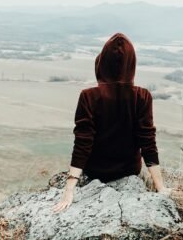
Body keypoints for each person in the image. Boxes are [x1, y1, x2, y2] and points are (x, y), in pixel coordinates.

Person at [52, 32, 172, 213]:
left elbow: (83, 142)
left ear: (103, 63)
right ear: (131, 64)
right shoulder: (142, 96)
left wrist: (70, 189)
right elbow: (148, 142)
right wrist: (160, 187)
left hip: (95, 172)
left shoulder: (88, 96)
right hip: (129, 171)